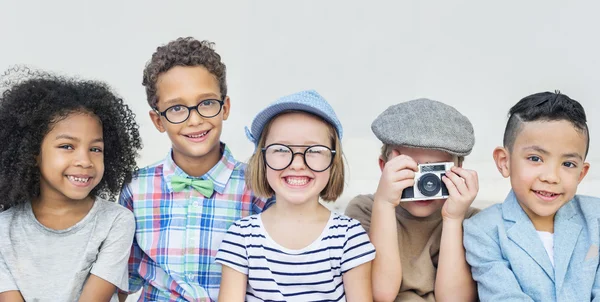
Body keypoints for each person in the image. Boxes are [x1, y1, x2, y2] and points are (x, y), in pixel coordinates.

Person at [117, 37, 273, 301]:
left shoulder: (259, 187)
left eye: (207, 103)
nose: (195, 119)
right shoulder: (136, 189)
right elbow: (122, 282)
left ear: (225, 108)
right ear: (158, 120)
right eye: (177, 108)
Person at [216, 90, 376, 301]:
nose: (297, 164)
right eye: (281, 149)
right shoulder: (241, 237)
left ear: (333, 160)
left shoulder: (349, 236)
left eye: (314, 151)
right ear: (262, 159)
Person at [0, 68, 141, 302]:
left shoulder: (116, 221)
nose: (85, 161)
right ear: (33, 152)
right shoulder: (3, 229)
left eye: (95, 149)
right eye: (67, 146)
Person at [463, 91, 599, 301]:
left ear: (581, 173)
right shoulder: (483, 230)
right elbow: (504, 296)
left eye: (568, 164)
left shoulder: (596, 217)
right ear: (504, 161)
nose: (551, 177)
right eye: (535, 158)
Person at [345, 98, 480, 301]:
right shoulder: (366, 209)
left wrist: (453, 220)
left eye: (435, 171)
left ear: (458, 169)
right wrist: (385, 204)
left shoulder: (472, 220)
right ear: (384, 167)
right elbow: (380, 294)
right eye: (411, 169)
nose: (426, 184)